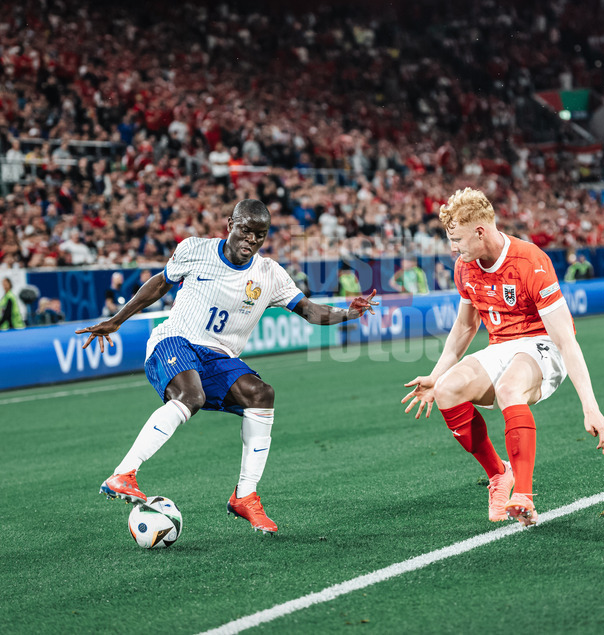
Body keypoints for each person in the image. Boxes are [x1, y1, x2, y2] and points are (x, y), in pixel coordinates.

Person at [77, 199, 378, 534]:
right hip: (175, 340)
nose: (250, 240)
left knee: (261, 394)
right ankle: (123, 474)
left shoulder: (269, 274)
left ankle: (245, 496)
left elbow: (308, 310)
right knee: (191, 396)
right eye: (245, 230)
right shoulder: (195, 250)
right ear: (230, 223)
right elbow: (160, 283)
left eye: (259, 235)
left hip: (220, 358)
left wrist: (348, 313)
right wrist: (117, 320)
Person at [401, 188, 604, 527]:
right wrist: (436, 374)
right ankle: (500, 475)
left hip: (544, 346)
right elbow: (464, 328)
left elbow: (566, 340)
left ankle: (524, 497)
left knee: (509, 388)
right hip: (503, 346)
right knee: (447, 390)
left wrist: (590, 406)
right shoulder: (464, 267)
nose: (452, 247)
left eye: (456, 239)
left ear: (480, 232)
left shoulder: (530, 261)